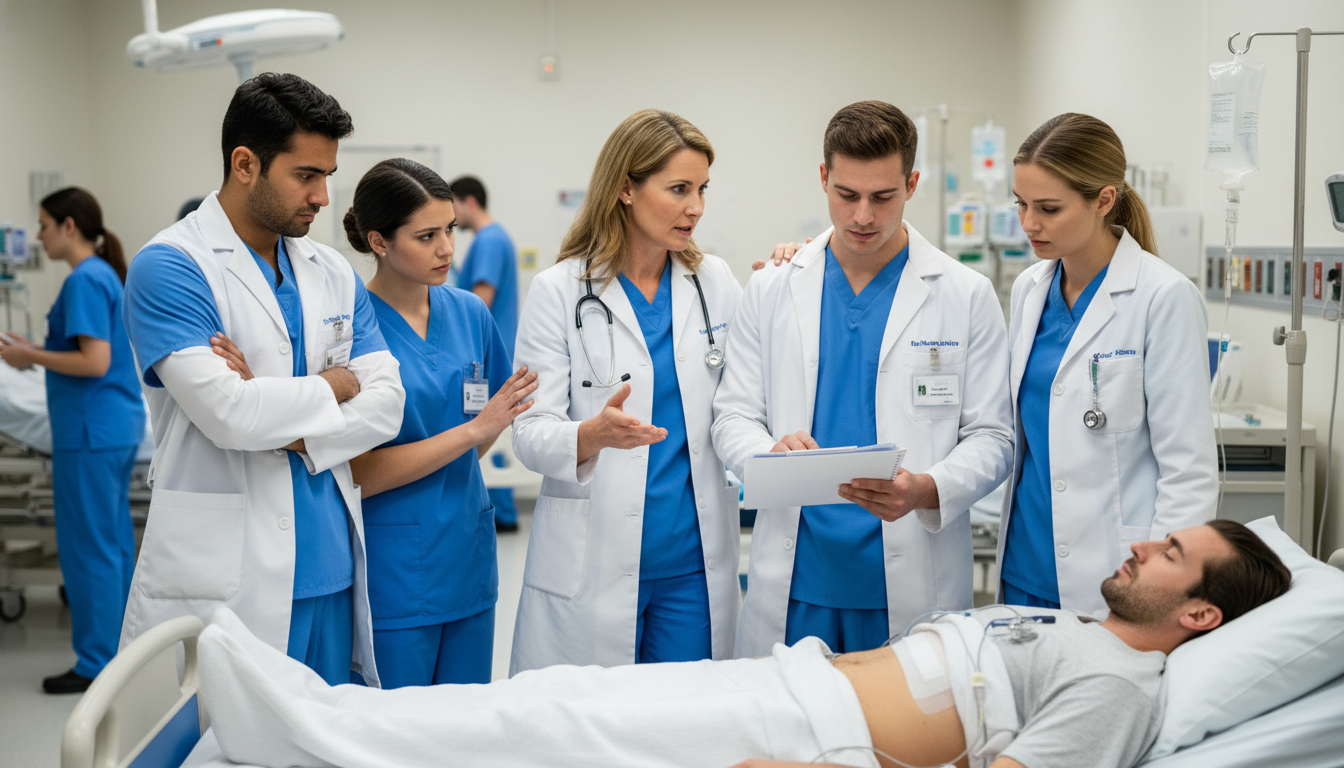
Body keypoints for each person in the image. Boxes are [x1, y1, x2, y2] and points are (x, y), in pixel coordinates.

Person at [195, 519, 1292, 768]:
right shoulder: (1082, 629)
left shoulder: (1119, 685)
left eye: (1171, 554)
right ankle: (323, 715)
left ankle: (302, 735)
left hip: (809, 735)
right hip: (793, 684)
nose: (1143, 543)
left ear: (1199, 616)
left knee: (552, 723)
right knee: (564, 694)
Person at [118, 73, 405, 687]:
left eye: (328, 175)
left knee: (328, 730)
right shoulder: (171, 266)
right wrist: (336, 385)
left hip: (331, 563)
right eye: (306, 175)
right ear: (245, 164)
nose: (324, 197)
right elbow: (230, 416)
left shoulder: (331, 270)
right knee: (231, 732)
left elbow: (388, 406)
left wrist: (277, 418)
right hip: (230, 576)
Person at [712, 101, 1014, 658]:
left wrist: (926, 489)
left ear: (912, 185)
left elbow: (994, 436)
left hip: (912, 573)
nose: (862, 216)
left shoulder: (964, 295)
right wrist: (770, 452)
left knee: (905, 714)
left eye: (883, 197)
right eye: (846, 194)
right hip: (798, 578)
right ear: (823, 178)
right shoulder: (773, 288)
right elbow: (732, 415)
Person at [509, 109, 743, 673]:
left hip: (693, 563)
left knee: (687, 718)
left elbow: (744, 402)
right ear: (626, 189)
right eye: (679, 189)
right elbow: (529, 432)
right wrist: (589, 435)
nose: (696, 207)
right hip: (595, 559)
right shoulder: (559, 291)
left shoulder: (714, 282)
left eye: (702, 189)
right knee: (596, 719)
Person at [995, 114, 1217, 615]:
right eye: (1021, 203)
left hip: (1114, 572)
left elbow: (1188, 471)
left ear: (1103, 200)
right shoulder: (1029, 290)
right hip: (1025, 563)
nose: (1029, 224)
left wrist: (1160, 592)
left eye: (1049, 208)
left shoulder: (1164, 297)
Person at [340, 159, 537, 686]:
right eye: (426, 236)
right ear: (379, 242)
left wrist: (476, 433)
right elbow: (356, 473)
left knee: (469, 722)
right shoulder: (351, 329)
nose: (447, 248)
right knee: (398, 725)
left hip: (468, 556)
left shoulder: (470, 313)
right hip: (397, 569)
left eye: (450, 229)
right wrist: (470, 433)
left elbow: (492, 419)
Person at [0, 188, 145, 694]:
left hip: (89, 432)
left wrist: (29, 358)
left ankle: (96, 663)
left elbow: (93, 362)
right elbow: (87, 350)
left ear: (68, 226)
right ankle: (122, 652)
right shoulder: (101, 274)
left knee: (89, 549)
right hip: (110, 427)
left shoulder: (84, 279)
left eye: (43, 225)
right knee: (113, 544)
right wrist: (38, 348)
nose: (38, 236)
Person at [450, 175, 523, 532]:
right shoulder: (493, 238)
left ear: (469, 202)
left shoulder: (489, 240)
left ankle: (501, 513)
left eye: (452, 206)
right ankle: (501, 511)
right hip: (491, 352)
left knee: (490, 433)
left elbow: (480, 301)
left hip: (486, 355)